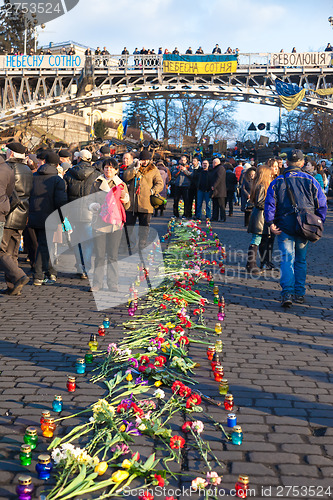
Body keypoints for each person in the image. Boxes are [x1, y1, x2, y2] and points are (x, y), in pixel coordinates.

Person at [264, 149, 327, 307]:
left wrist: (270, 223)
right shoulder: (311, 180)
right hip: (305, 225)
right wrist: (318, 221)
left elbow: (270, 204)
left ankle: (287, 292)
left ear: (287, 163)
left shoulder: (278, 181)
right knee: (301, 260)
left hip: (284, 225)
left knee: (287, 259)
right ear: (302, 162)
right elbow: (322, 203)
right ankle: (299, 292)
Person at [89, 158, 130, 292]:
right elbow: (89, 200)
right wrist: (93, 206)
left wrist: (125, 198)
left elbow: (127, 205)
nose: (108, 170)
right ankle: (97, 283)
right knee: (100, 254)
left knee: (112, 255)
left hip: (115, 224)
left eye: (111, 167)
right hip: (99, 223)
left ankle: (113, 283)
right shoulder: (96, 183)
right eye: (106, 167)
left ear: (116, 170)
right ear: (103, 169)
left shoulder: (121, 184)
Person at [28, 151, 67, 286]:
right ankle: (38, 276)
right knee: (44, 245)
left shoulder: (33, 176)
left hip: (33, 215)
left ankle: (51, 271)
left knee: (42, 245)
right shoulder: (57, 180)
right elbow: (60, 201)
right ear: (57, 164)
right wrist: (63, 219)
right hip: (50, 217)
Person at [0, 142, 33, 295]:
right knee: (13, 251)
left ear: (11, 153)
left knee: (3, 249)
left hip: (9, 214)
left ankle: (18, 276)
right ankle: (14, 286)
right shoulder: (27, 168)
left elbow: (9, 194)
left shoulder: (9, 167)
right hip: (22, 213)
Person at [64, 149, 100, 279]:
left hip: (72, 212)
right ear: (90, 160)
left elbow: (64, 194)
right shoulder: (97, 174)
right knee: (88, 242)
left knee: (76, 241)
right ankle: (86, 268)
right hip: (90, 213)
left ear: (78, 159)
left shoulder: (69, 173)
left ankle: (80, 266)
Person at [123, 150, 163, 249]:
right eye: (142, 160)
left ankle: (142, 246)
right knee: (128, 227)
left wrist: (153, 191)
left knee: (144, 228)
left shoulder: (154, 169)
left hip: (146, 203)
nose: (144, 162)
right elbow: (126, 177)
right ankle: (127, 246)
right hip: (132, 204)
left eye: (146, 160)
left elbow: (160, 183)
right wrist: (135, 169)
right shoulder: (134, 166)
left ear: (149, 160)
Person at [245, 165, 273, 275]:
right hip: (260, 217)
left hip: (260, 216)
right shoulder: (262, 186)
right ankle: (251, 264)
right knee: (256, 240)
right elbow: (260, 202)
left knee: (258, 240)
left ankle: (251, 264)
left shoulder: (259, 185)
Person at [258, 158, 280, 270]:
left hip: (276, 213)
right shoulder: (264, 181)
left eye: (277, 166)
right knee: (264, 238)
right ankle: (263, 260)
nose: (276, 168)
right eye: (274, 166)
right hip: (264, 213)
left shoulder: (278, 180)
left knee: (272, 238)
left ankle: (269, 260)